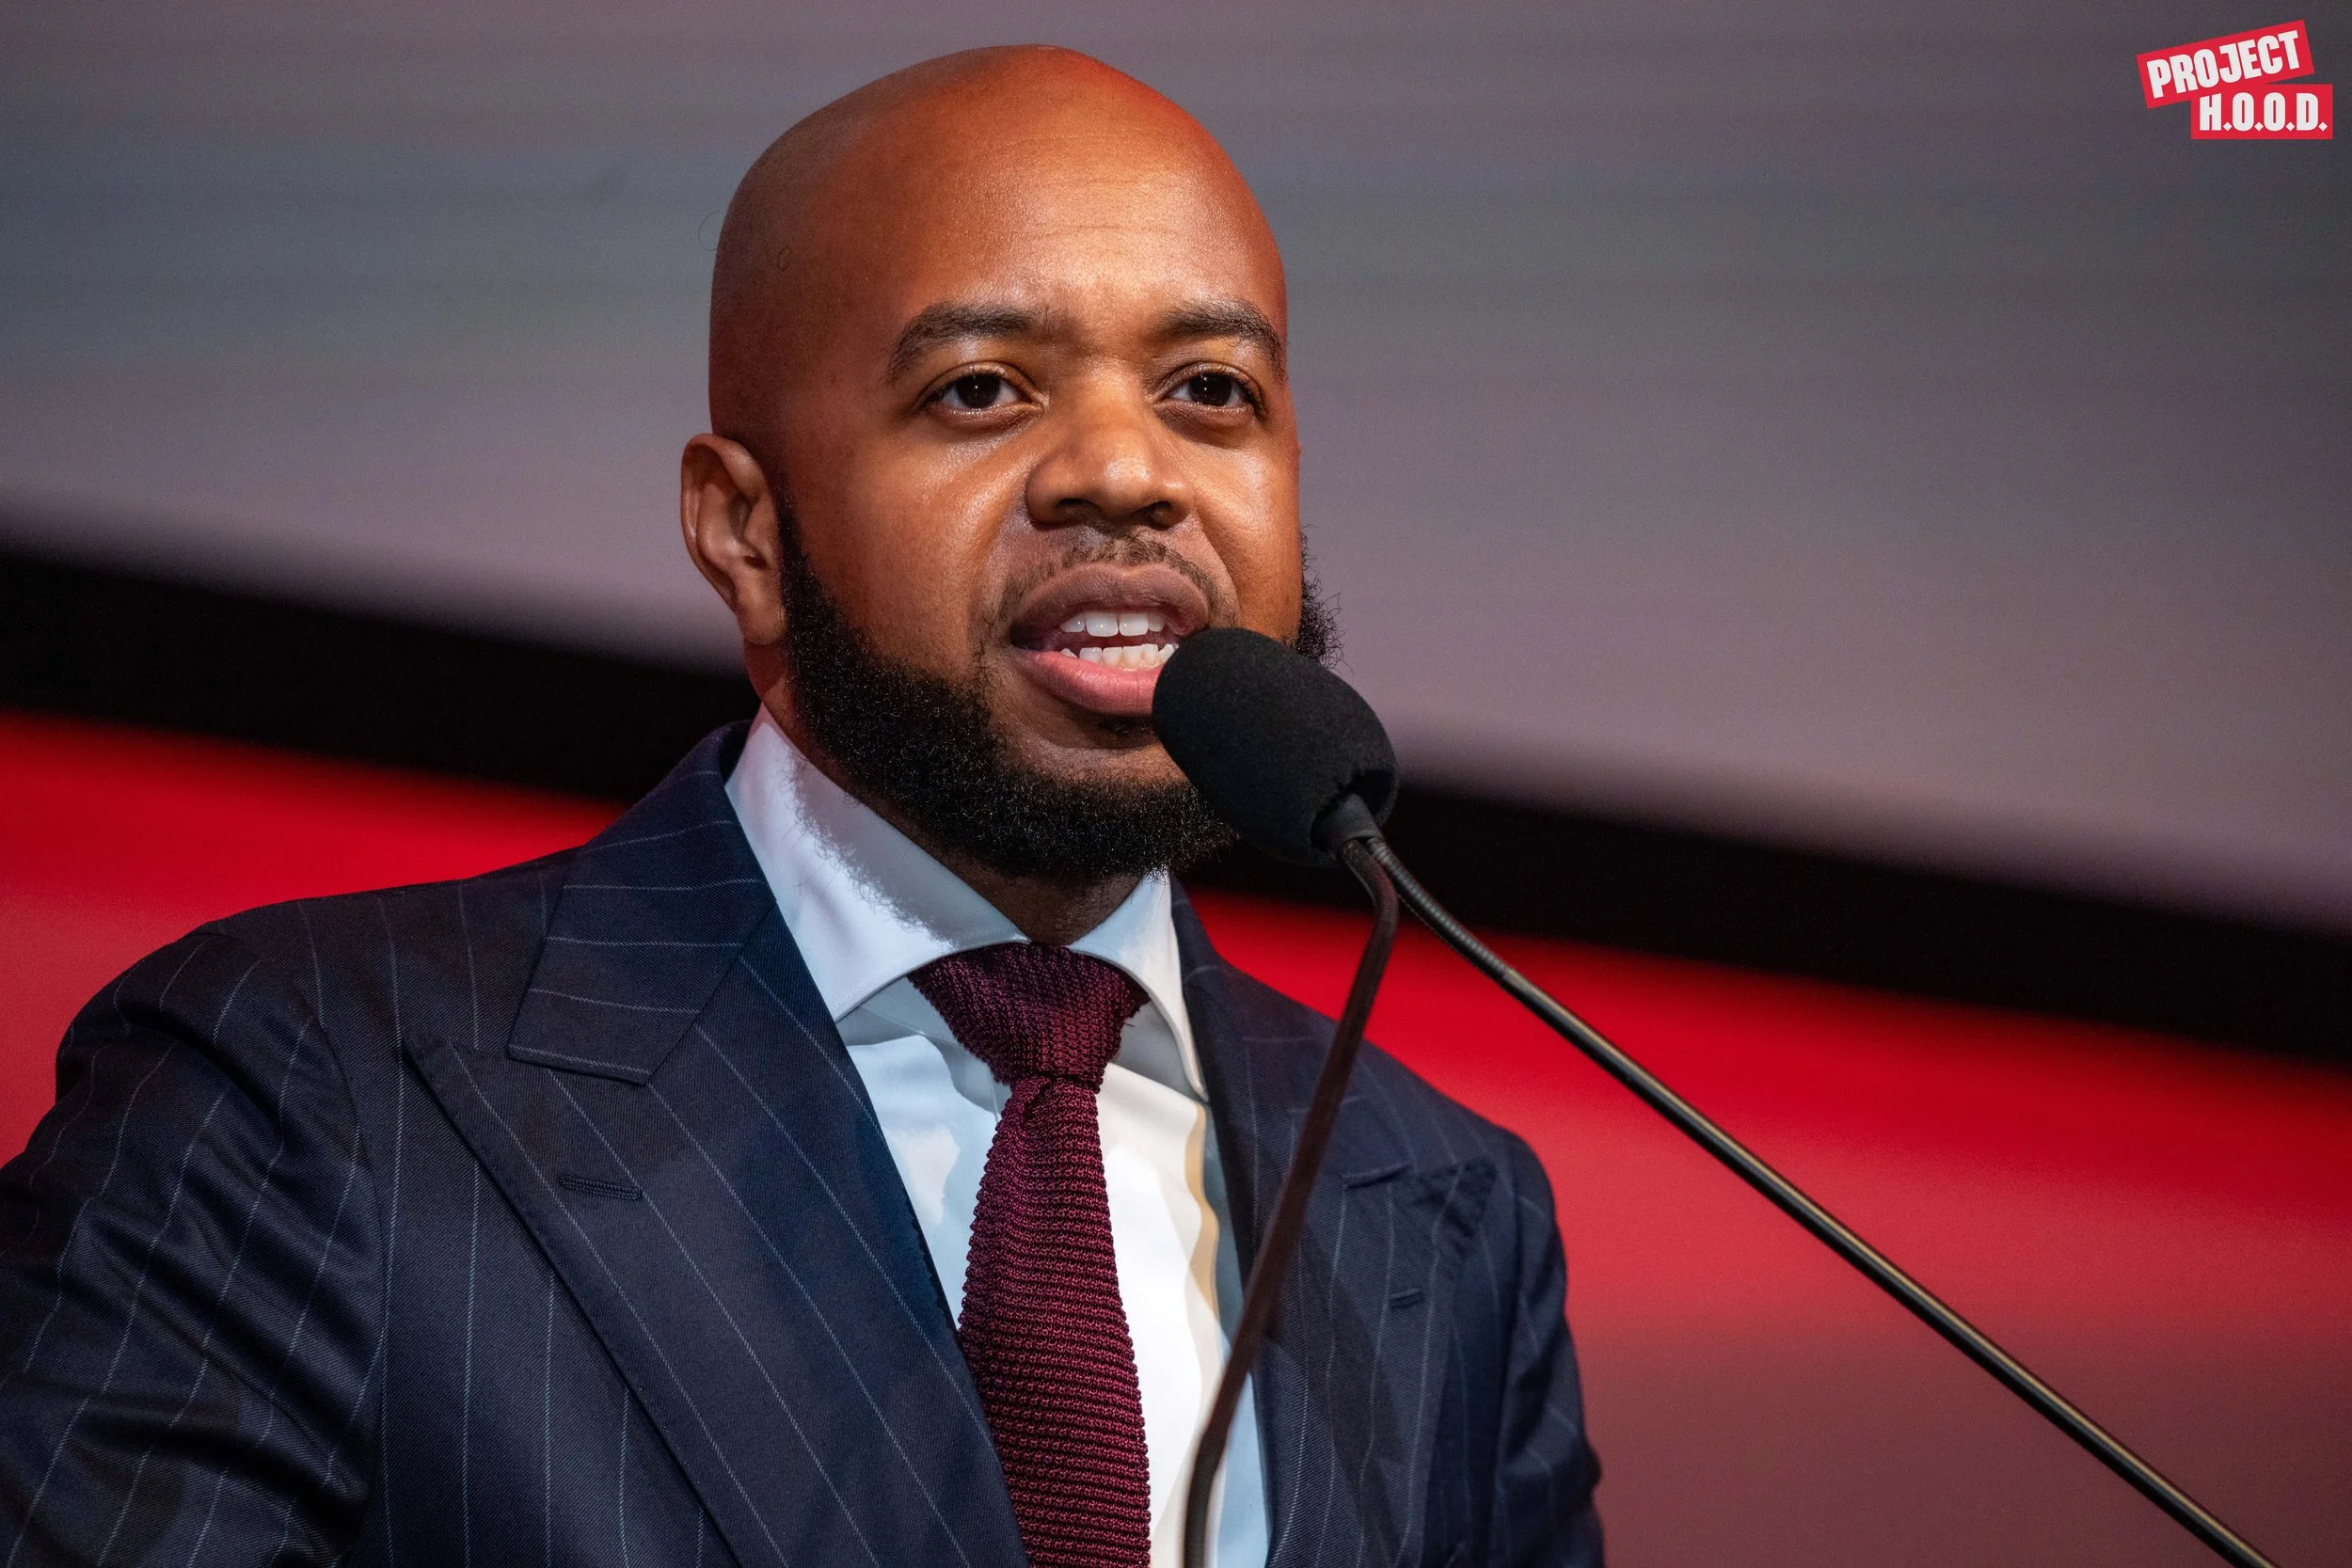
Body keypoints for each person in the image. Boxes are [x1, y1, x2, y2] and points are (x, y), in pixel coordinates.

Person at [0, 46, 1602, 1568]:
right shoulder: (304, 1090)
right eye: (981, 390)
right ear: (744, 532)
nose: (1125, 469)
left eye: (1209, 389)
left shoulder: (1447, 1211)